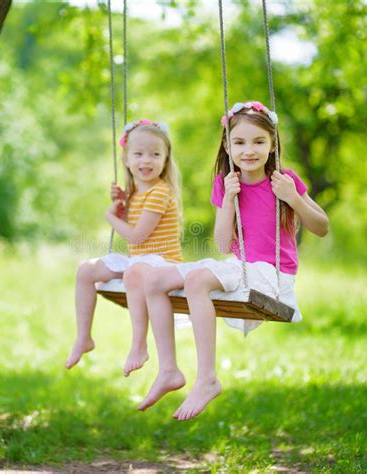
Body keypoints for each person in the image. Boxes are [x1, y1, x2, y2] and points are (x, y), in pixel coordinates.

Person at [138, 101, 329, 420]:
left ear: (272, 145)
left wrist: (293, 198)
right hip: (240, 268)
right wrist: (228, 198)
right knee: (154, 281)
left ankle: (207, 378)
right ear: (227, 145)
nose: (248, 150)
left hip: (274, 276)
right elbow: (224, 244)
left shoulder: (285, 180)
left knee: (198, 280)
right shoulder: (225, 183)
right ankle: (169, 370)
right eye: (239, 142)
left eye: (258, 142)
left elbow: (321, 227)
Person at [65, 119, 183, 377]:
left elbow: (138, 236)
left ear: (165, 159)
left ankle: (139, 345)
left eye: (155, 154)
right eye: (138, 154)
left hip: (164, 263)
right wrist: (121, 204)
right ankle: (83, 337)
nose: (146, 160)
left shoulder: (160, 192)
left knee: (133, 273)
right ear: (127, 160)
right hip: (140, 261)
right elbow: (136, 243)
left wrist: (112, 217)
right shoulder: (134, 192)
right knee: (86, 270)